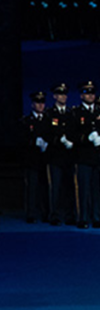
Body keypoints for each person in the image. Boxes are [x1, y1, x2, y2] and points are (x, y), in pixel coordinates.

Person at [45, 82, 75, 225]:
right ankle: (55, 215)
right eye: (60, 94)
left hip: (69, 156)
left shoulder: (71, 113)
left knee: (69, 187)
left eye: (64, 94)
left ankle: (70, 215)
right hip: (55, 156)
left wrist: (71, 141)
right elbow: (46, 133)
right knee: (55, 187)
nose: (63, 97)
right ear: (55, 96)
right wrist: (59, 140)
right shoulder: (50, 114)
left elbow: (75, 131)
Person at [72, 81, 99, 228]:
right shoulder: (77, 113)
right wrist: (86, 137)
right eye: (87, 93)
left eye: (92, 93)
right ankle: (82, 218)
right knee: (83, 189)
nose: (90, 95)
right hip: (83, 156)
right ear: (82, 95)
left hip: (98, 157)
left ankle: (96, 217)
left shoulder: (99, 111)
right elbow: (72, 134)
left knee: (97, 190)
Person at [21, 91, 49, 223]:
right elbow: (21, 138)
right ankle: (31, 213)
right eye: (38, 102)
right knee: (31, 188)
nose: (40, 105)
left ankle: (45, 213)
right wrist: (34, 142)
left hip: (46, 159)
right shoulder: (27, 121)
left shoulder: (48, 120)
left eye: (42, 102)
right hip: (32, 159)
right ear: (32, 104)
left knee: (45, 188)